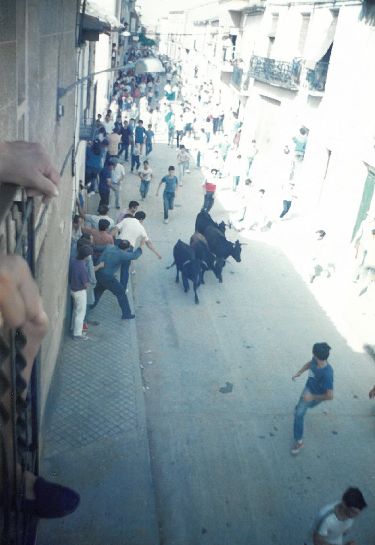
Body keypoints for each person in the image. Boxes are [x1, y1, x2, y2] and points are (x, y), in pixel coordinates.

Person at [291, 342, 334, 455]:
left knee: (305, 406)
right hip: (308, 389)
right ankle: (299, 440)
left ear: (316, 355)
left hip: (316, 396)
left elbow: (330, 396)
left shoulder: (327, 374)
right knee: (299, 413)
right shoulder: (315, 360)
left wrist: (312, 397)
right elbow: (309, 364)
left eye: (313, 354)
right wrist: (299, 372)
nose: (312, 355)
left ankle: (301, 407)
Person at [91, 240, 143, 319]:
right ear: (127, 249)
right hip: (107, 278)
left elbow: (96, 248)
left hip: (98, 273)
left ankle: (91, 305)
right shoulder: (122, 254)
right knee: (121, 292)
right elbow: (135, 256)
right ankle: (126, 314)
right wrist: (140, 247)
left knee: (99, 290)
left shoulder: (109, 246)